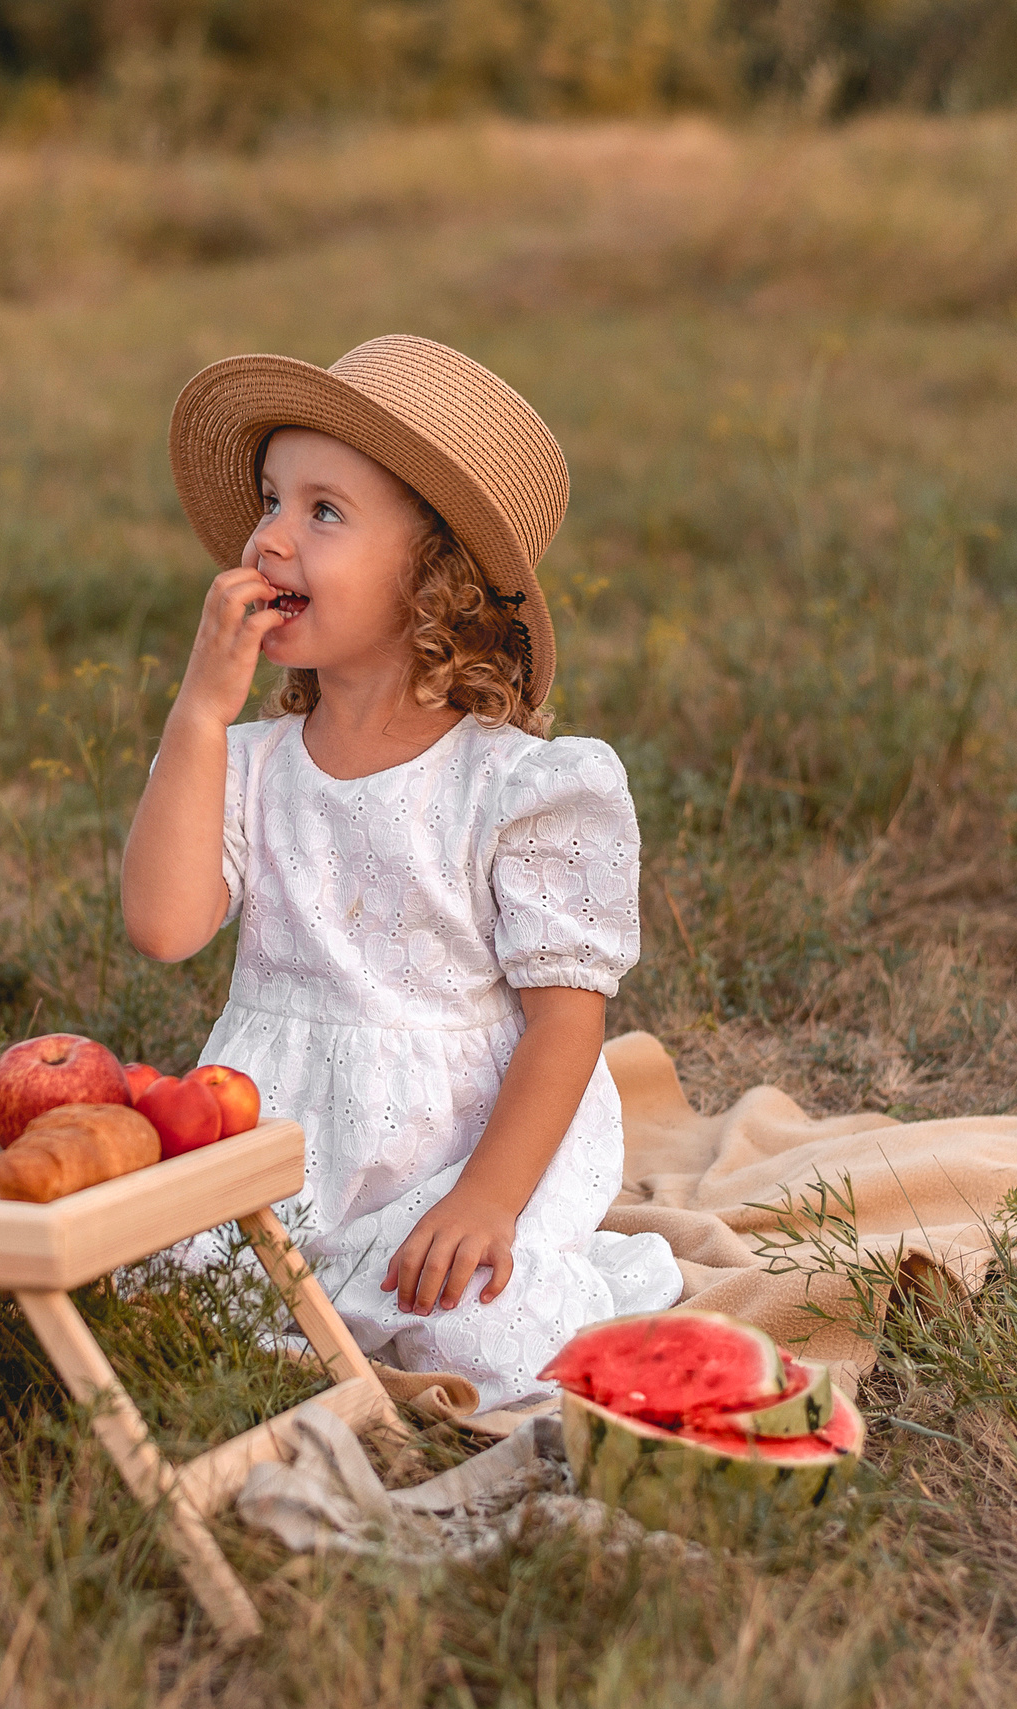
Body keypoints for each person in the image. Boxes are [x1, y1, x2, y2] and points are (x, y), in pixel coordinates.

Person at [123, 335, 683, 1409]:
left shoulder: (519, 788)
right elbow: (162, 924)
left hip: (457, 1151)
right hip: (275, 1143)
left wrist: (487, 1199)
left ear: (435, 576)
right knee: (148, 1283)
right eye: (272, 498)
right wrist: (200, 707)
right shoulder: (244, 766)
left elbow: (565, 1024)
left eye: (323, 511)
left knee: (482, 1330)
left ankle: (493, 1272)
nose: (271, 537)